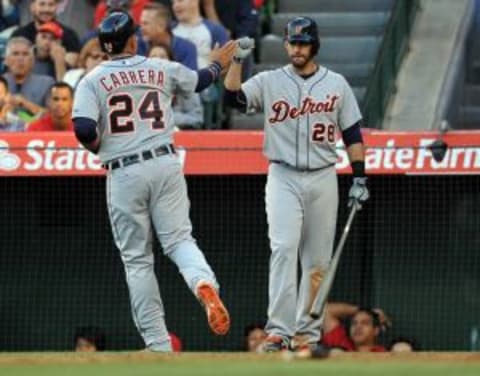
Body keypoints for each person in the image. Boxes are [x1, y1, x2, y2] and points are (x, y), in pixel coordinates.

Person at [72, 11, 237, 352]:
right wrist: (220, 64)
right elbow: (202, 80)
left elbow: (84, 129)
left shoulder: (92, 79)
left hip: (124, 170)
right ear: (133, 40)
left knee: (138, 260)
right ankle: (203, 282)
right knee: (179, 241)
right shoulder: (159, 68)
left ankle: (159, 343)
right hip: (164, 161)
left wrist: (97, 145)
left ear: (104, 46)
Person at [224, 17, 370, 352]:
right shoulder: (271, 80)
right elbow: (233, 99)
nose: (297, 48)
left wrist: (359, 175)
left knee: (317, 261)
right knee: (284, 249)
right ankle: (278, 331)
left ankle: (307, 334)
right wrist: (236, 60)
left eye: (303, 43)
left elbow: (352, 134)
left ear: (314, 45)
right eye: (292, 42)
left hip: (322, 175)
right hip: (283, 174)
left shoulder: (336, 84)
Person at [148, 43, 203, 129]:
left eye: (162, 57)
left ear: (171, 62)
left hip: (181, 136)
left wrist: (165, 118)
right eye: (153, 57)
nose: (158, 62)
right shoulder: (141, 87)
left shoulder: (186, 81)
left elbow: (197, 119)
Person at [12, 0, 81, 67]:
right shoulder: (19, 35)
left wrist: (60, 57)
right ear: (32, 7)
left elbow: (74, 62)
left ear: (57, 7)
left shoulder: (69, 35)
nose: (46, 9)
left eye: (51, 5)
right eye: (42, 4)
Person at [3, 36, 55, 120]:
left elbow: (55, 116)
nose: (20, 59)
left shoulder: (47, 83)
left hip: (37, 132)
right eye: (15, 54)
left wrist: (26, 104)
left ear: (32, 60)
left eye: (25, 54)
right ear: (6, 60)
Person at [140, 2, 198, 70]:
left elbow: (190, 79)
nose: (141, 28)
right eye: (141, 23)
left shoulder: (187, 48)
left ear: (161, 26)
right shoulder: (138, 45)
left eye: (145, 23)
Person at [322, 303, 390, 352]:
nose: (358, 327)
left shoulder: (382, 353)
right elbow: (326, 310)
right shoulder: (342, 344)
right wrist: (360, 309)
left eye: (365, 323)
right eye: (354, 323)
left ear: (376, 330)